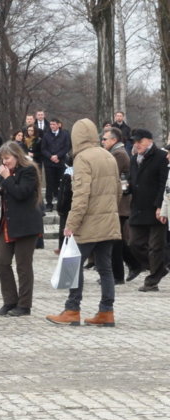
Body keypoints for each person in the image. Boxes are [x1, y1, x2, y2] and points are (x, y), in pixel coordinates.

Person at [46, 119, 122, 327]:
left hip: (88, 223)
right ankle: (106, 311)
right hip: (109, 221)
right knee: (105, 268)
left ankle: (72, 309)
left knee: (75, 265)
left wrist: (71, 223)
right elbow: (117, 191)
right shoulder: (108, 155)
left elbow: (81, 195)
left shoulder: (82, 159)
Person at [0, 142, 43, 317]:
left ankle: (24, 305)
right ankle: (9, 301)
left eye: (7, 158)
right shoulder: (5, 172)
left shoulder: (29, 170)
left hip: (26, 224)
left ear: (16, 156)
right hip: (7, 223)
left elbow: (21, 193)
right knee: (2, 260)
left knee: (23, 265)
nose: (4, 162)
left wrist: (6, 179)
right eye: (2, 159)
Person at [126, 128, 169, 292]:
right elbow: (132, 180)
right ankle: (159, 269)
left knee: (156, 246)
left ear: (149, 140)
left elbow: (163, 183)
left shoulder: (160, 157)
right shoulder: (134, 158)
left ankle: (152, 280)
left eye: (139, 141)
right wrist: (127, 188)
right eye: (135, 142)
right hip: (138, 208)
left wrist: (160, 206)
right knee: (134, 244)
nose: (137, 145)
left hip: (156, 209)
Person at [101, 127, 140, 283]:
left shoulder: (119, 154)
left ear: (114, 140)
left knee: (115, 240)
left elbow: (109, 176)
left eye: (105, 139)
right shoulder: (115, 153)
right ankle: (133, 265)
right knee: (117, 239)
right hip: (117, 203)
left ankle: (118, 274)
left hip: (120, 204)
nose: (102, 142)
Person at [40, 118, 71, 212]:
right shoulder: (46, 135)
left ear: (58, 125)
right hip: (49, 163)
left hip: (61, 162)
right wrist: (51, 156)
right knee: (49, 183)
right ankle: (49, 204)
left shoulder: (65, 134)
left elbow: (67, 146)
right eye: (51, 124)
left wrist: (58, 156)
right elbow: (43, 148)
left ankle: (61, 202)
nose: (52, 126)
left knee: (62, 182)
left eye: (54, 124)